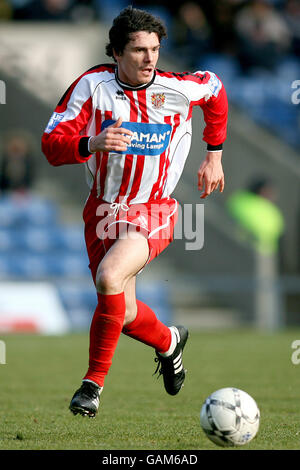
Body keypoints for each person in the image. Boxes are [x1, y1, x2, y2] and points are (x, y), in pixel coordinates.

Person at [41, 6, 228, 418]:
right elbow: (51, 144)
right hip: (103, 210)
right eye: (139, 50)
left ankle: (91, 386)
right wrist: (92, 144)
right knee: (122, 312)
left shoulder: (177, 88)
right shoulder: (91, 86)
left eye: (155, 49)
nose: (150, 59)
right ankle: (168, 342)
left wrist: (213, 156)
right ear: (116, 52)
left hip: (155, 207)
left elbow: (215, 90)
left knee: (110, 276)